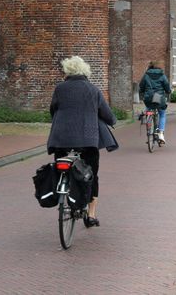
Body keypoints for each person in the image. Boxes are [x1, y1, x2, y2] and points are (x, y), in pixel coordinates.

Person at [46, 55, 117, 228]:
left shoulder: (60, 88)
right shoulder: (93, 90)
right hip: (87, 141)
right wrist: (112, 121)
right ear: (85, 71)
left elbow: (53, 109)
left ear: (67, 71)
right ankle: (91, 215)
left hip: (60, 139)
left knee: (60, 167)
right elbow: (107, 115)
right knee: (92, 174)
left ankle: (63, 191)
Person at [139, 61, 171, 143]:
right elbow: (167, 86)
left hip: (148, 97)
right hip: (158, 97)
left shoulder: (146, 75)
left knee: (149, 108)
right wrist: (168, 91)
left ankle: (149, 130)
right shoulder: (162, 75)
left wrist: (142, 91)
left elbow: (141, 86)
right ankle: (160, 133)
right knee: (162, 114)